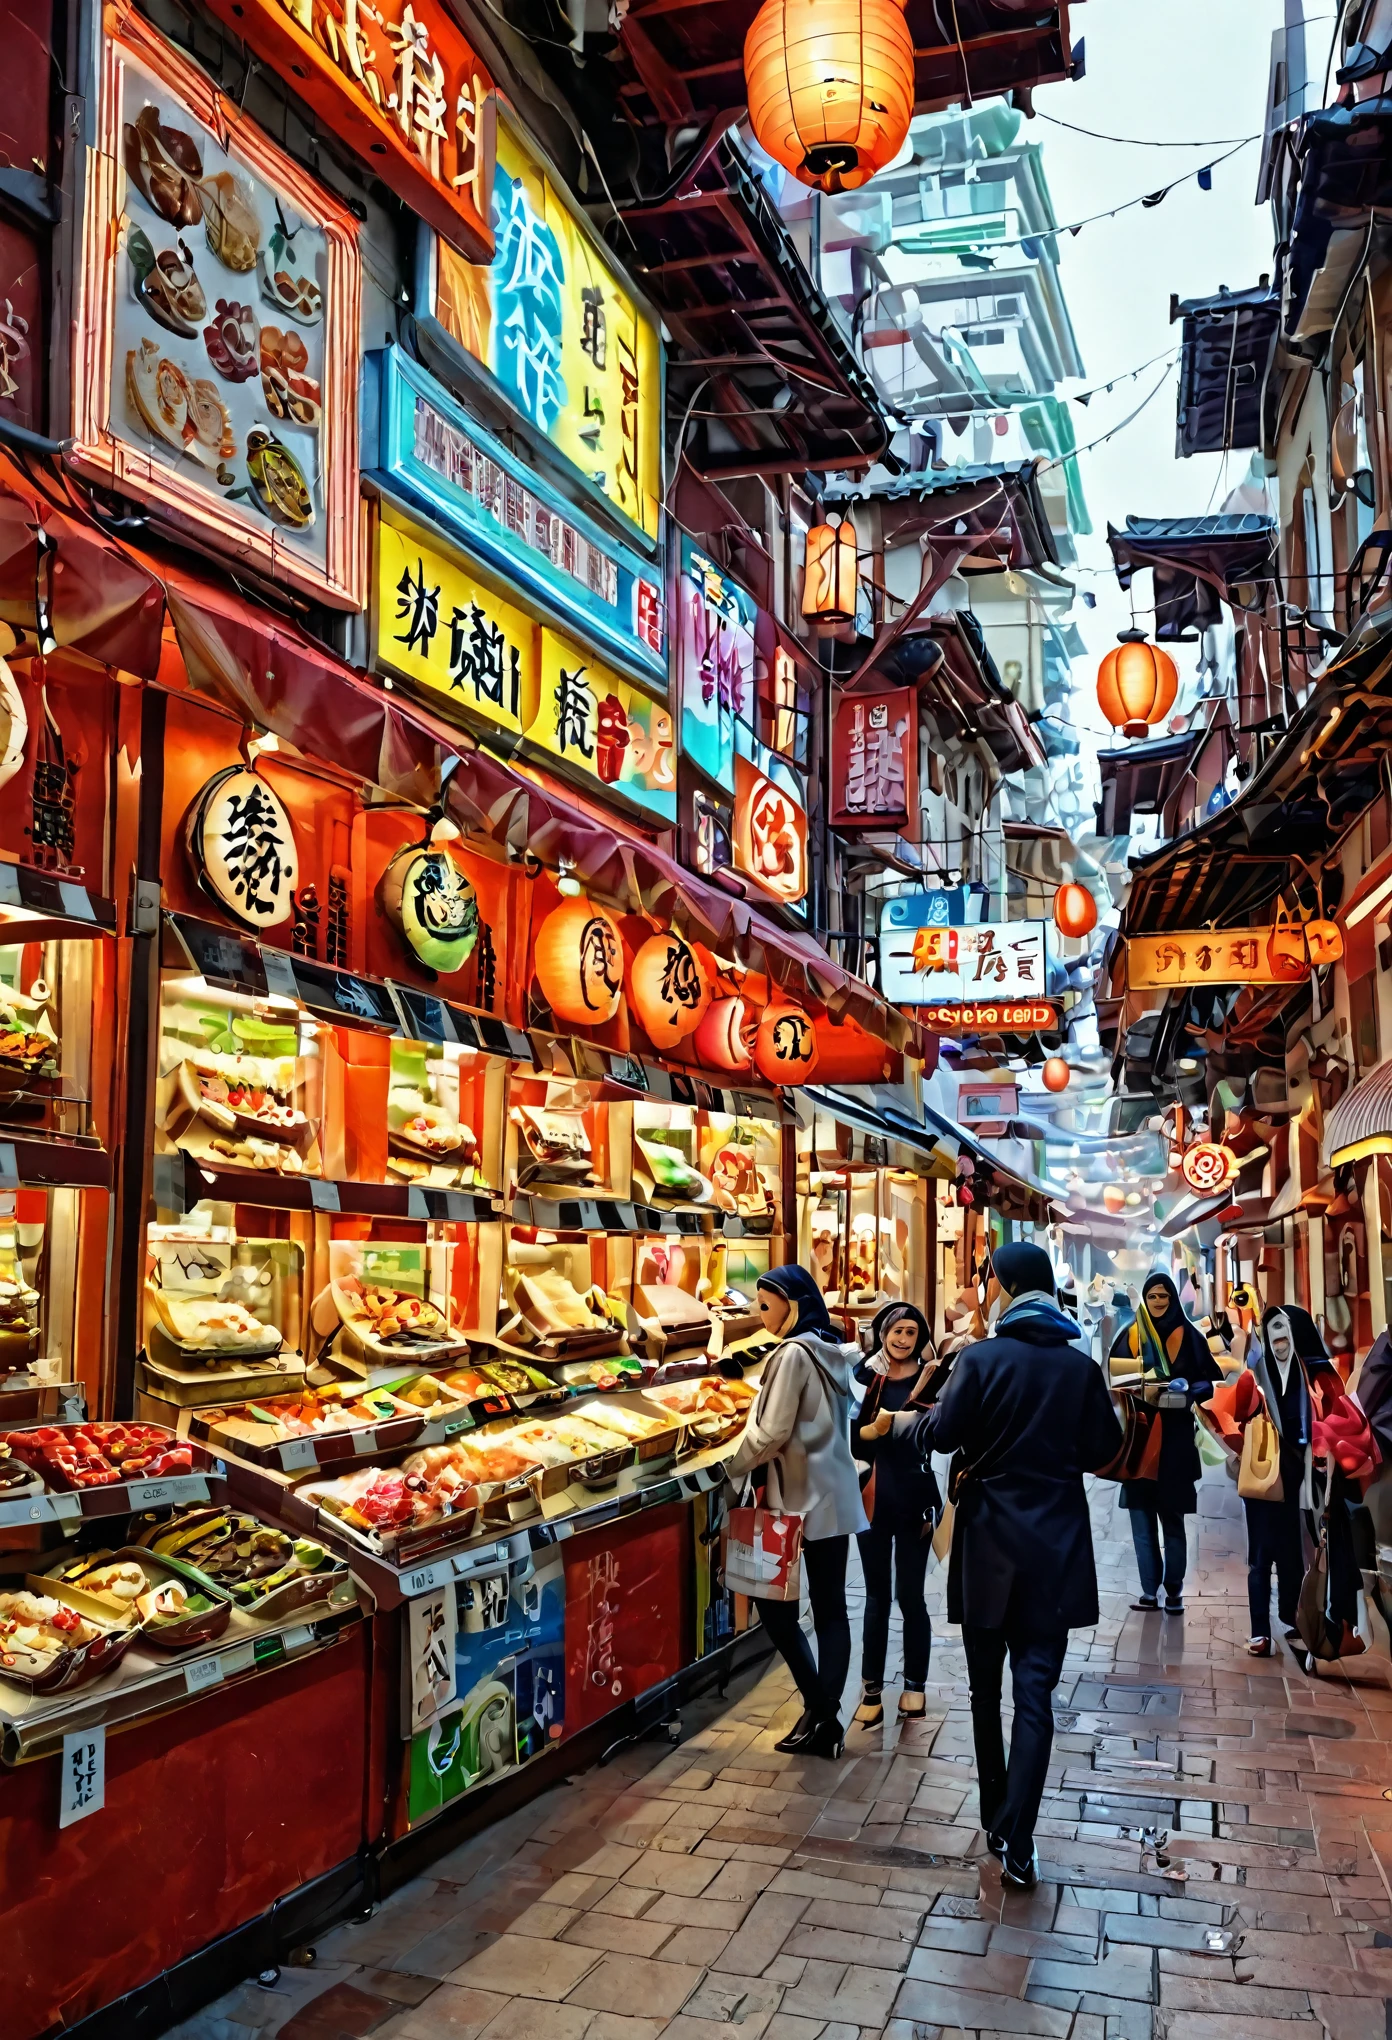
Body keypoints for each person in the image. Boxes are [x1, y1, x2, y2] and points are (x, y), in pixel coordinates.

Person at [865, 1240, 1122, 1888]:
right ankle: (1020, 1839)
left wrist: (905, 1425)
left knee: (986, 1692)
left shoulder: (979, 1358)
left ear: (1004, 1288)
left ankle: (994, 1817)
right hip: (1056, 1545)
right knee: (1036, 1697)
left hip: (986, 1545)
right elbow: (1104, 1450)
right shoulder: (1078, 1367)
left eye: (988, 1282)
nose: (983, 1292)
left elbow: (942, 1433)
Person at [725, 1263, 867, 1758]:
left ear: (794, 1303)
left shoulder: (791, 1353)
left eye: (766, 1304)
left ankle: (821, 1711)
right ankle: (825, 1715)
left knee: (775, 1608)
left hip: (792, 1498)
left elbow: (771, 1433)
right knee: (830, 1608)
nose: (758, 1313)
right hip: (833, 1493)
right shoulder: (833, 1348)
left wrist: (726, 1466)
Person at [850, 1303, 943, 1728]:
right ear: (882, 1332)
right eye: (896, 1330)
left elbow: (942, 1438)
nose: (903, 1339)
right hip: (870, 1497)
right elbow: (851, 1439)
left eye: (911, 1331)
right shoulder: (863, 1377)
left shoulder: (933, 1378)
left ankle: (914, 1688)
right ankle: (871, 1690)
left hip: (915, 1498)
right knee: (875, 1598)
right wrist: (873, 1431)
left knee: (911, 1596)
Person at [1110, 1270, 1222, 1615]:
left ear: (1173, 1299)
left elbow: (1209, 1383)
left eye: (1164, 1296)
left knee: (1172, 1521)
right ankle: (1148, 1591)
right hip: (1139, 1441)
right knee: (1142, 1523)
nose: (1158, 1302)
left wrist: (1187, 1386)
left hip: (1174, 1442)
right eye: (1153, 1296)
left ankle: (1173, 1591)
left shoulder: (1189, 1336)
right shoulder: (1129, 1336)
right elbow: (1115, 1381)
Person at [1241, 1304, 1337, 1657]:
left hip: (1300, 1473)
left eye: (1283, 1328)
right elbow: (1237, 1416)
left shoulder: (1313, 1374)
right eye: (1271, 1329)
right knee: (1260, 1555)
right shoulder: (1256, 1372)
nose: (1277, 1336)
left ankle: (1291, 1619)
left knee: (1292, 1552)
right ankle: (1259, 1632)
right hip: (1263, 1473)